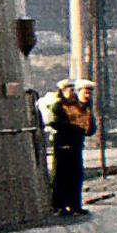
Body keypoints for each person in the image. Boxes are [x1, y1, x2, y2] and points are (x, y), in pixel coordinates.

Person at [46, 78, 95, 215]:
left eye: (73, 89)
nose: (72, 92)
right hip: (62, 146)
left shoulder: (79, 106)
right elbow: (56, 124)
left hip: (76, 146)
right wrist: (77, 129)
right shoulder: (57, 106)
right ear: (62, 90)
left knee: (75, 176)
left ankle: (74, 205)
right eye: (69, 89)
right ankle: (58, 206)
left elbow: (89, 127)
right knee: (60, 177)